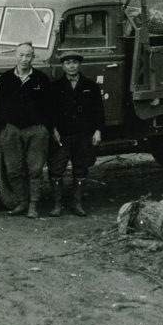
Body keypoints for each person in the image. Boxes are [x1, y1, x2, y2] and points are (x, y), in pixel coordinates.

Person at [0, 42, 52, 219]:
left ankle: (33, 205)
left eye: (28, 55)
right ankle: (22, 202)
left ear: (33, 57)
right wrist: (3, 129)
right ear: (15, 56)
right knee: (13, 168)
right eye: (21, 55)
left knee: (35, 168)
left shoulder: (41, 79)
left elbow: (50, 107)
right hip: (12, 130)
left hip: (36, 130)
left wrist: (45, 128)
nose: (24, 59)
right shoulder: (6, 79)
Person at [47, 52, 105, 217]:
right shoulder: (56, 86)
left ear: (79, 65)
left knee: (80, 168)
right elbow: (50, 112)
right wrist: (54, 129)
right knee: (56, 169)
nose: (71, 66)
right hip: (63, 135)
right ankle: (57, 206)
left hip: (83, 135)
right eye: (67, 63)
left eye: (74, 63)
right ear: (63, 66)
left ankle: (77, 205)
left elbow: (98, 110)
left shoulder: (90, 86)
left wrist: (98, 131)